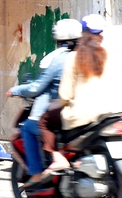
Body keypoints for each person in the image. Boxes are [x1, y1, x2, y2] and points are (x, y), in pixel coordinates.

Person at [38, 13, 117, 178]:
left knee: (44, 120)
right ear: (101, 35)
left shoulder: (73, 57)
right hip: (108, 113)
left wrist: (56, 104)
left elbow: (65, 94)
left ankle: (57, 157)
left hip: (81, 116)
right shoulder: (108, 56)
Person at [7, 18, 82, 185]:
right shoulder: (93, 54)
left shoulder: (59, 59)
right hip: (93, 111)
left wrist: (15, 90)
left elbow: (37, 87)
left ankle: (36, 173)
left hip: (68, 111)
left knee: (30, 126)